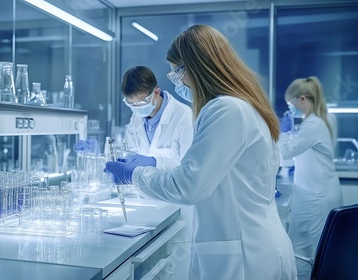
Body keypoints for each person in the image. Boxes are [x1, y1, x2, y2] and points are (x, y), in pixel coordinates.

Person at [104, 24, 297, 279]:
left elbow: (188, 186)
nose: (178, 83)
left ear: (197, 67)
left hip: (245, 257)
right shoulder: (240, 105)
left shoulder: (225, 109)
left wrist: (133, 174)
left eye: (177, 74)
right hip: (250, 244)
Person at [120, 65, 194, 280]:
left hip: (178, 207)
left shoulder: (183, 116)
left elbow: (189, 169)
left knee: (176, 269)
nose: (137, 107)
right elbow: (130, 150)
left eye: (141, 102)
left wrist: (154, 161)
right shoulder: (137, 117)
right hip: (147, 204)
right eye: (130, 103)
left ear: (156, 92)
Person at [279, 76, 342, 280]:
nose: (291, 108)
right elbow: (311, 151)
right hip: (322, 190)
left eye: (292, 103)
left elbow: (286, 152)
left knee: (303, 250)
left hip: (314, 197)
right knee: (318, 247)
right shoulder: (324, 118)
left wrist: (285, 131)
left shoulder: (312, 124)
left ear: (303, 99)